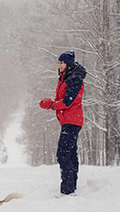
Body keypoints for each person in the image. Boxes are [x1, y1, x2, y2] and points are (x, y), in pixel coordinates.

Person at [39, 50, 86, 196]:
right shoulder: (66, 77)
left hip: (72, 120)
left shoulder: (75, 78)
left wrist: (51, 105)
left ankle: (67, 190)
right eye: (58, 62)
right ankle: (71, 188)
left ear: (68, 64)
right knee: (70, 153)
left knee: (63, 154)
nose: (59, 65)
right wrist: (52, 103)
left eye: (62, 62)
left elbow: (68, 100)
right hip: (70, 120)